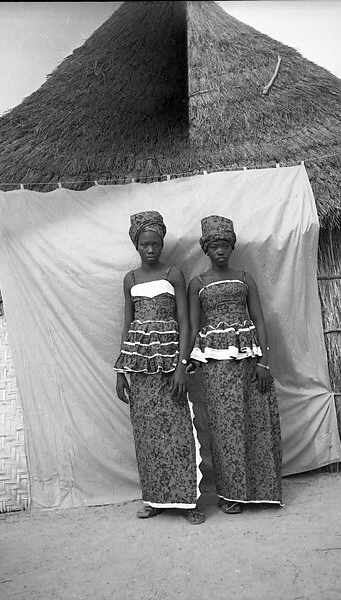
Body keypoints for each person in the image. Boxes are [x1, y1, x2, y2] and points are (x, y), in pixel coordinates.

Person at [114, 210, 205, 525]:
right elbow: (127, 325)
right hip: (140, 366)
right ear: (136, 246)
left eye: (155, 244)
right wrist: (121, 373)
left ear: (162, 243)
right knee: (147, 434)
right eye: (144, 245)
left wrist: (182, 365)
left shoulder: (173, 273)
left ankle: (188, 502)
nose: (151, 249)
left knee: (178, 431)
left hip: (170, 364)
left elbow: (184, 321)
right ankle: (153, 499)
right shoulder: (131, 279)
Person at [188, 215, 283, 514]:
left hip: (250, 361)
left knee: (256, 422)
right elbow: (192, 326)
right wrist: (186, 360)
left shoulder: (244, 278)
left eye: (225, 245)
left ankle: (260, 491)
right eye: (215, 246)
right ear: (206, 249)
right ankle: (231, 495)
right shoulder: (198, 283)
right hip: (216, 367)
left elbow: (259, 319)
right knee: (225, 427)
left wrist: (264, 363)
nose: (221, 251)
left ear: (232, 247)